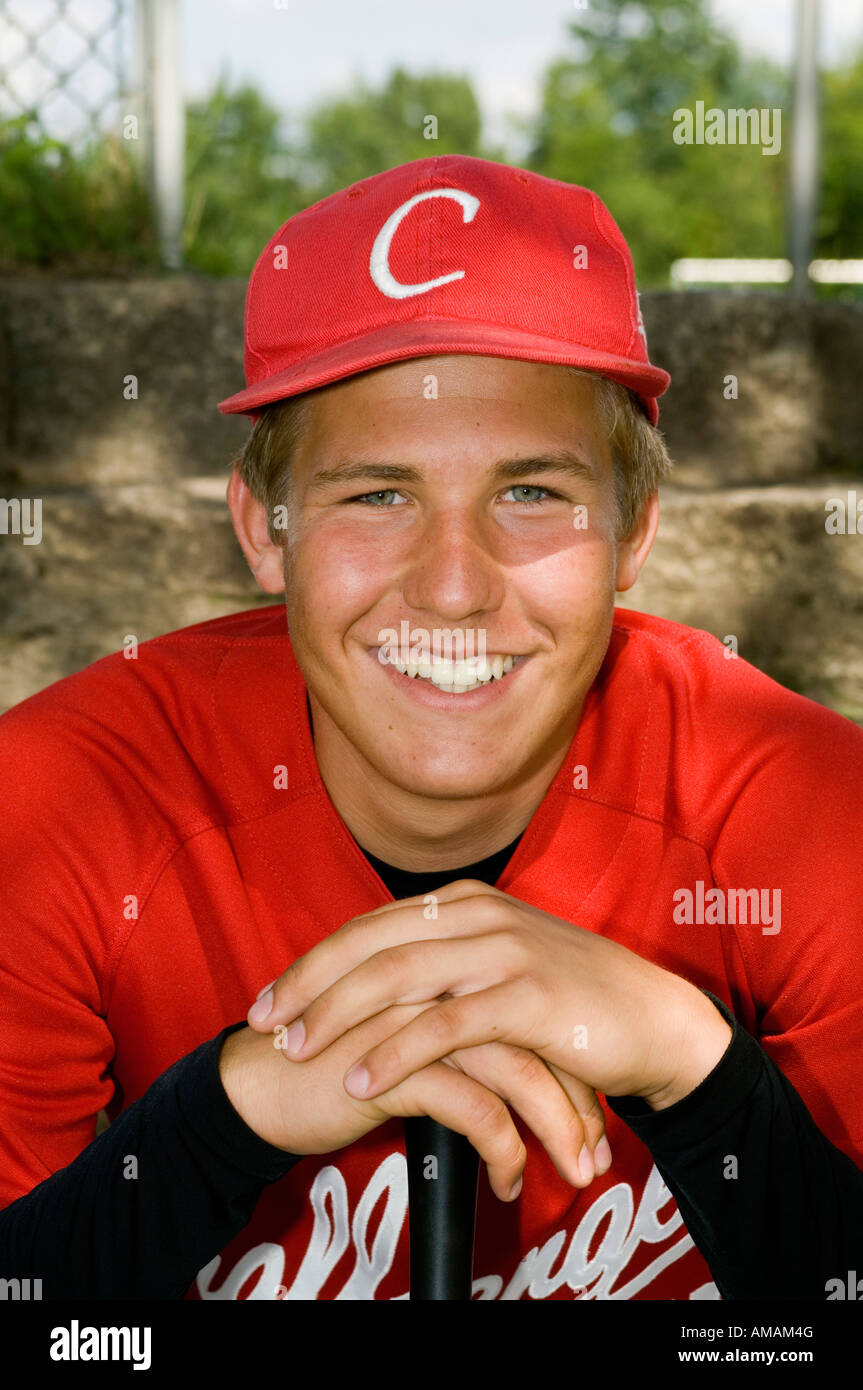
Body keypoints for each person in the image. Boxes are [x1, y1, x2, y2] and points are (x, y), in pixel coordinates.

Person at [1, 154, 861, 1302]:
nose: (452, 587)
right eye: (377, 494)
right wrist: (220, 1118)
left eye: (529, 493)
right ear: (265, 529)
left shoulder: (804, 807)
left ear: (633, 530)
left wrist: (700, 1073)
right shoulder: (60, 796)